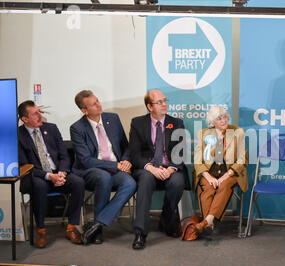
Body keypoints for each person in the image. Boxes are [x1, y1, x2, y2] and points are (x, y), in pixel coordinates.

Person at [70, 90, 136, 245]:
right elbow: (86, 160)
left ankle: (97, 224)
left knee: (130, 183)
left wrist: (125, 161)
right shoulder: (77, 128)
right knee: (103, 177)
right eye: (94, 104)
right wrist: (116, 165)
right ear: (84, 110)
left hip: (116, 168)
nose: (99, 105)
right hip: (91, 171)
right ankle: (98, 230)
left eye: (98, 101)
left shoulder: (112, 118)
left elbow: (125, 146)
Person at [18, 100, 84, 248]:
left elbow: (64, 156)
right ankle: (40, 230)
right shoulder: (18, 136)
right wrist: (49, 176)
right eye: (35, 113)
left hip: (58, 172)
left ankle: (72, 227)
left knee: (78, 182)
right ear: (25, 119)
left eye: (39, 111)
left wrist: (62, 173)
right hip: (36, 176)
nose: (40, 115)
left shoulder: (51, 128)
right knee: (39, 185)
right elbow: (25, 166)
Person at [128, 89, 189, 249]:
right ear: (150, 106)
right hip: (147, 168)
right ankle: (140, 233)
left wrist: (170, 170)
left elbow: (180, 152)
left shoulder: (177, 123)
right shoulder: (137, 123)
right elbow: (134, 154)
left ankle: (166, 220)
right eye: (159, 102)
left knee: (177, 182)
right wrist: (151, 168)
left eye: (164, 101)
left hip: (170, 168)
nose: (164, 104)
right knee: (145, 180)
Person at [193, 106, 248, 236]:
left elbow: (242, 159)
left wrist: (225, 176)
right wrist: (209, 177)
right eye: (219, 118)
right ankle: (209, 224)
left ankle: (206, 222)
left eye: (225, 117)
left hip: (230, 173)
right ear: (213, 122)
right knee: (208, 189)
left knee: (224, 185)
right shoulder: (203, 133)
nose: (224, 120)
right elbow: (197, 160)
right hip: (208, 173)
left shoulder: (237, 132)